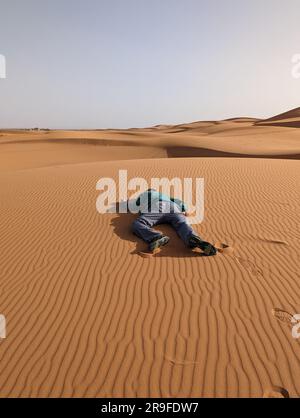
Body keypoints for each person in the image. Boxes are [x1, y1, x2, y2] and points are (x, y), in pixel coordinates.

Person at [132, 189, 217, 256]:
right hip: (174, 208)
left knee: (138, 224)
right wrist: (185, 210)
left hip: (158, 207)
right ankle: (192, 238)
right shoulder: (165, 195)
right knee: (182, 224)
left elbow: (137, 203)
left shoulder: (144, 194)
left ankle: (156, 237)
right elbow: (180, 202)